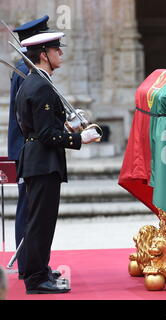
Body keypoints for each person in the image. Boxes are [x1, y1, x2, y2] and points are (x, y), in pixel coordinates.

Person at [15, 31, 101, 294]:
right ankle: (36, 279)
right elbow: (44, 134)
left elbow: (43, 125)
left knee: (40, 221)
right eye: (56, 50)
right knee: (41, 222)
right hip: (42, 162)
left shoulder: (35, 82)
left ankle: (38, 270)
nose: (60, 54)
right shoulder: (40, 86)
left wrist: (68, 125)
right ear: (44, 55)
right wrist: (79, 138)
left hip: (39, 160)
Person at [7, 15, 60, 281]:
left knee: (36, 211)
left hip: (32, 147)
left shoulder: (31, 70)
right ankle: (29, 266)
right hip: (29, 148)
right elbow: (26, 117)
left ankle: (35, 264)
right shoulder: (24, 71)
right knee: (31, 210)